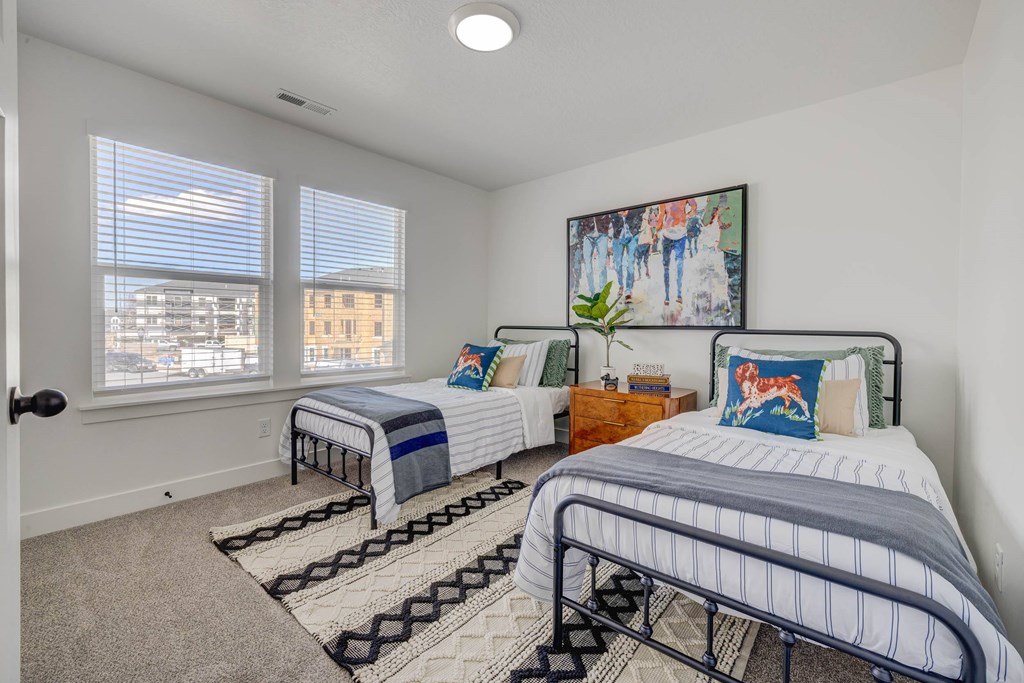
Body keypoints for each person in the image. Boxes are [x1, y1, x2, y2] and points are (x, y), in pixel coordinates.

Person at [705, 191, 743, 320]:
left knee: (734, 283)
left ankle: (737, 318)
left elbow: (706, 219)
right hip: (744, 244)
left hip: (732, 245)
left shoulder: (722, 194)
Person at [660, 199, 692, 305]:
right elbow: (660, 217)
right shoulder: (664, 201)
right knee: (673, 266)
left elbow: (694, 207)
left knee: (673, 266)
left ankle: (672, 296)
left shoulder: (665, 201)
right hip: (671, 234)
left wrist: (685, 218)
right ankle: (673, 295)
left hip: (676, 235)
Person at [581, 214, 611, 296]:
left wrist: (605, 229)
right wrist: (584, 230)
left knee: (602, 266)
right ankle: (592, 291)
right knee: (588, 267)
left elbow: (608, 217)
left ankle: (602, 291)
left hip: (602, 235)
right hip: (588, 235)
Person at [635, 205, 657, 280]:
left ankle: (641, 275)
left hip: (642, 243)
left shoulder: (643, 224)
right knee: (644, 260)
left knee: (639, 260)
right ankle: (645, 273)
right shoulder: (647, 224)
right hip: (645, 243)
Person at [568, 218, 584, 295]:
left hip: (577, 244)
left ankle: (577, 284)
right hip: (569, 246)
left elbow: (582, 231)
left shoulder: (578, 221)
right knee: (570, 266)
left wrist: (580, 243)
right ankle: (571, 284)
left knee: (577, 266)